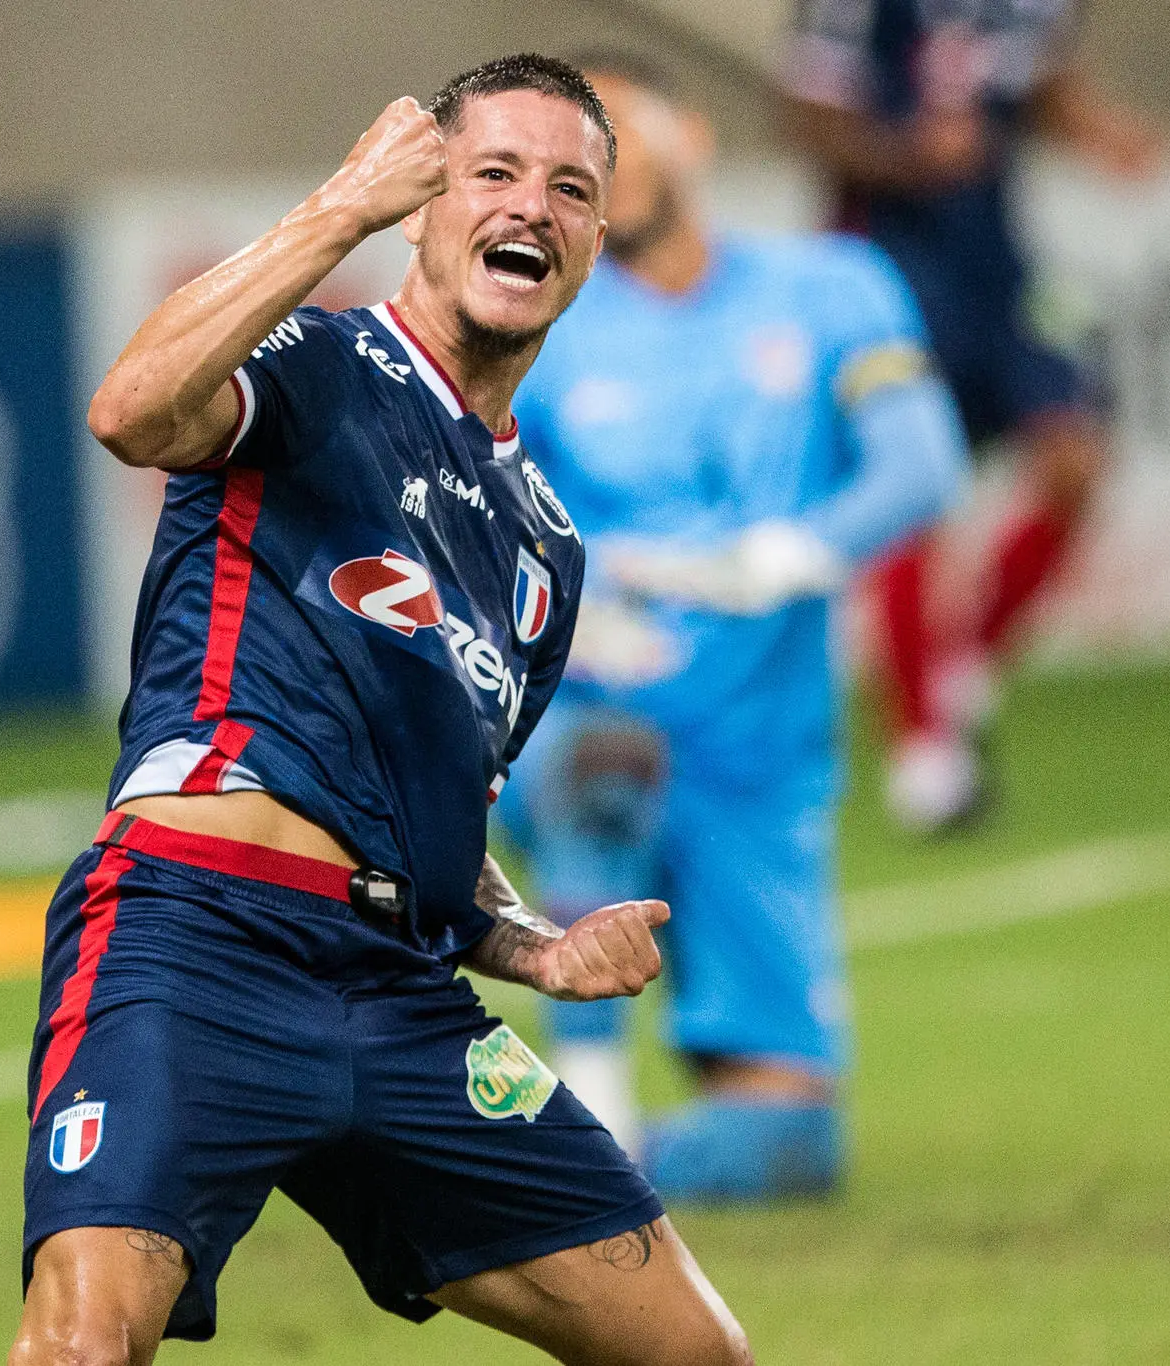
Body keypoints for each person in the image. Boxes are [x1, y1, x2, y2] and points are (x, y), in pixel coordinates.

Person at [10, 55, 751, 1366]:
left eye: (571, 188)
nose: (532, 205)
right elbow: (129, 411)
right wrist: (335, 210)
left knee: (698, 1352)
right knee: (80, 1345)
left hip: (399, 994)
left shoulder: (544, 554)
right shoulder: (316, 362)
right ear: (424, 205)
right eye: (495, 174)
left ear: (589, 243)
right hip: (197, 936)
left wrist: (534, 948)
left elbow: (438, 827)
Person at [503, 57, 966, 1197]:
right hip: (586, 727)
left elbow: (921, 463)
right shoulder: (542, 329)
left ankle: (565, 1171)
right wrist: (576, 610)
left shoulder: (830, 286)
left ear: (693, 138)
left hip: (758, 762)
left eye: (618, 132)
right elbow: (482, 519)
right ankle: (591, 1101)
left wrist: (798, 550)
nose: (602, 166)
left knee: (791, 1145)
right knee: (603, 764)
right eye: (573, 160)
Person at [781, 0, 1165, 831]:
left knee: (1075, 460)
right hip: (884, 265)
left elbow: (1037, 84)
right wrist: (907, 155)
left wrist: (1100, 133)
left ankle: (962, 661)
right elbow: (809, 117)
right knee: (914, 489)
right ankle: (923, 748)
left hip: (999, 262)